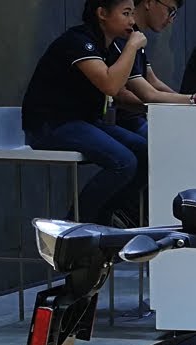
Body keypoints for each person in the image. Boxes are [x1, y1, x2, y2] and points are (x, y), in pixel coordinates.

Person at [21, 0, 149, 225]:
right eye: (126, 13)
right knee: (124, 162)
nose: (132, 21)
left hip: (83, 121)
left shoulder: (109, 46)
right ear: (102, 13)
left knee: (145, 152)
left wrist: (190, 99)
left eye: (132, 14)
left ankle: (105, 217)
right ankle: (74, 228)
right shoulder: (79, 41)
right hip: (50, 124)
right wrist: (131, 47)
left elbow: (127, 91)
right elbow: (110, 85)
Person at [109, 0, 196, 138]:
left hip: (144, 117)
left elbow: (153, 81)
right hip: (126, 120)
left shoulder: (137, 37)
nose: (171, 20)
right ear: (149, 2)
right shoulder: (123, 39)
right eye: (170, 10)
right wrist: (192, 100)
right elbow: (143, 95)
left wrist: (187, 100)